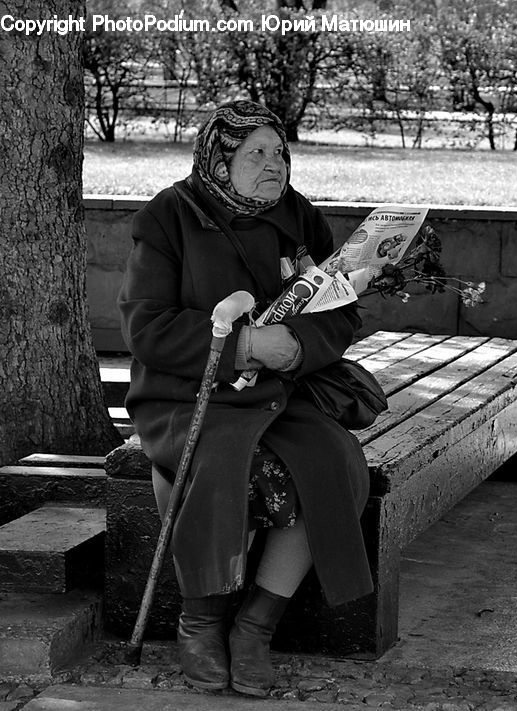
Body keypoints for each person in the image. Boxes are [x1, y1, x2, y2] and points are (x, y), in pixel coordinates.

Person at [118, 100, 373, 697]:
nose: (273, 164)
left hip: (284, 392)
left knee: (335, 462)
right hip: (190, 393)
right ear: (219, 157)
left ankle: (256, 625)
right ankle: (201, 620)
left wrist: (298, 347)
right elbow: (145, 326)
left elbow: (340, 314)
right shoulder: (169, 217)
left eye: (279, 152)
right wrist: (246, 345)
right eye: (254, 152)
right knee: (220, 463)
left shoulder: (300, 217)